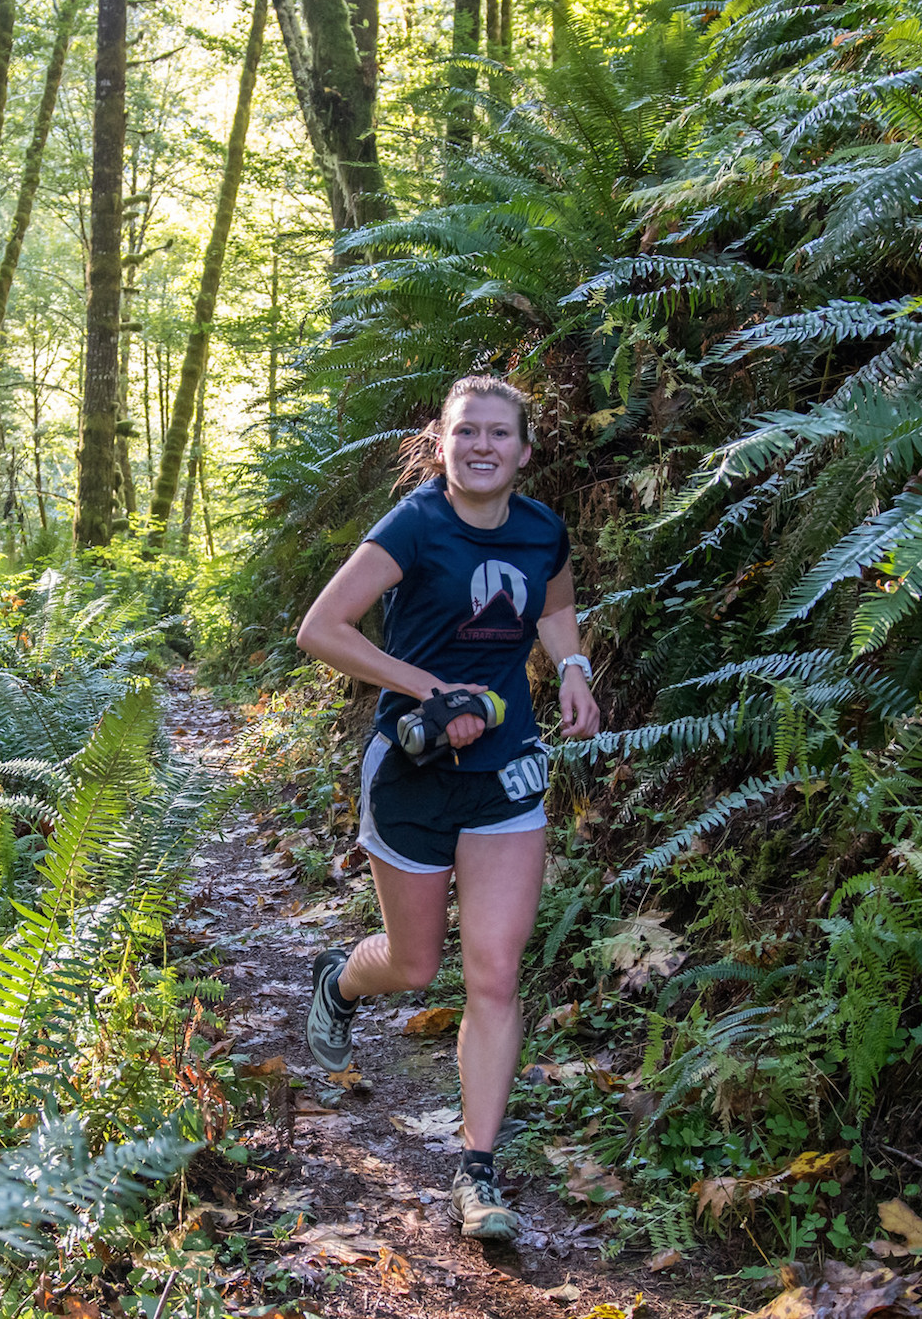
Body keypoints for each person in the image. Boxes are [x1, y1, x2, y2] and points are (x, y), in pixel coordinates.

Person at [294, 373, 600, 1242]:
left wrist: (571, 667)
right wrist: (432, 690)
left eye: (499, 434)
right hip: (415, 770)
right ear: (441, 443)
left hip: (505, 772)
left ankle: (477, 1171)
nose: (482, 446)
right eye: (466, 432)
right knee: (415, 965)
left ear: (524, 450)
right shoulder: (415, 525)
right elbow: (322, 628)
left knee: (495, 975)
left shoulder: (543, 529)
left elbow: (558, 605)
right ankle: (341, 977)